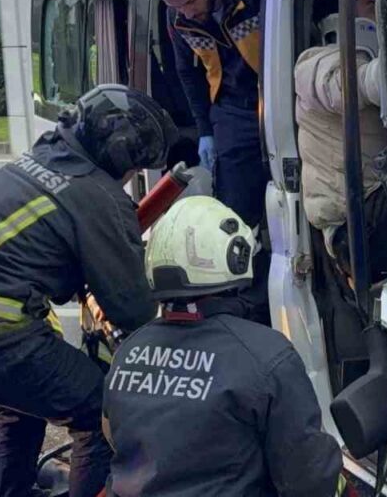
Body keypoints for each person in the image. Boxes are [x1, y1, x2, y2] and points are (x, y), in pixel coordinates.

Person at [0, 84, 173, 497]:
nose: (133, 177)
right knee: (102, 413)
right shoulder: (96, 195)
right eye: (136, 168)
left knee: (18, 407)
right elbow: (132, 309)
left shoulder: (41, 157)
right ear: (119, 153)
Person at [102, 195, 343, 497]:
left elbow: (114, 437)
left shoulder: (128, 352)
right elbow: (308, 476)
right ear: (235, 257)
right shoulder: (266, 356)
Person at [296, 0, 387, 279]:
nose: (378, 14)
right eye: (369, 5)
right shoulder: (313, 65)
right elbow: (344, 86)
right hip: (354, 226)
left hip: (379, 200)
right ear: (340, 17)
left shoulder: (366, 58)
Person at [148, 0, 267, 231]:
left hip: (278, 97)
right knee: (234, 209)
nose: (186, 14)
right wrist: (205, 130)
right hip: (232, 108)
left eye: (190, 1)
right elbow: (186, 73)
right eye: (176, 7)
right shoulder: (178, 17)